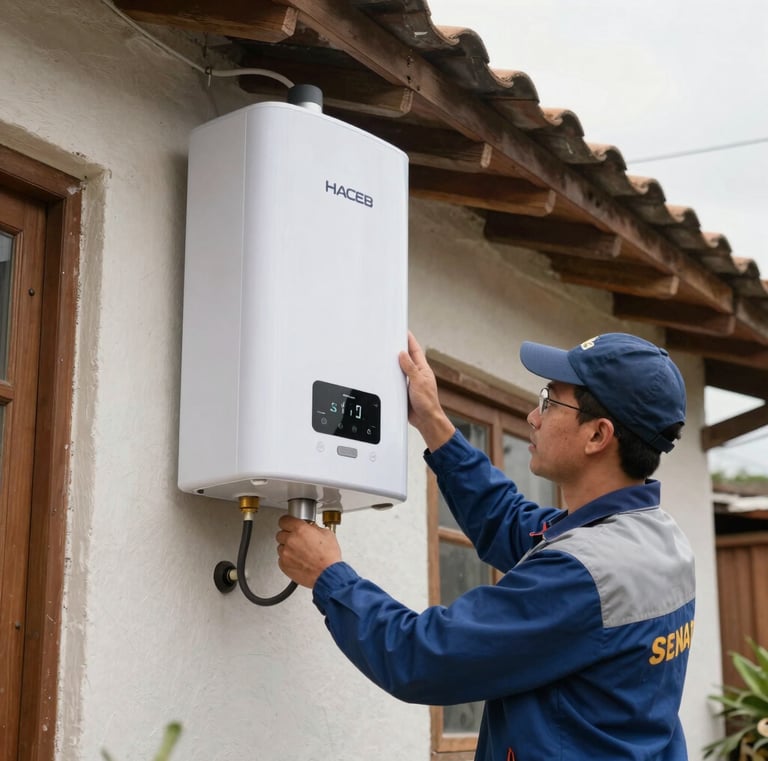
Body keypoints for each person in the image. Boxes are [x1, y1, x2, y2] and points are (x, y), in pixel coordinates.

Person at [276, 331, 695, 760]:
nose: (534, 416)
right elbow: (512, 522)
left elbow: (426, 659)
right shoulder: (657, 539)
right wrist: (433, 422)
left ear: (598, 436)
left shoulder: (584, 575)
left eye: (550, 400)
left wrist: (330, 577)